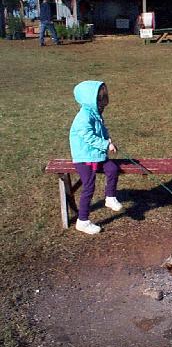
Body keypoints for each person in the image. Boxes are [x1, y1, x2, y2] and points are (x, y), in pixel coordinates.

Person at [69, 81, 122, 234]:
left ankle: (110, 197)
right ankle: (83, 221)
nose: (103, 104)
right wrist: (105, 145)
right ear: (90, 100)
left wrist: (108, 140)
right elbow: (89, 137)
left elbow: (101, 131)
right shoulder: (83, 117)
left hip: (96, 155)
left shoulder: (94, 113)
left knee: (112, 169)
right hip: (84, 157)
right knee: (89, 186)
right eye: (100, 100)